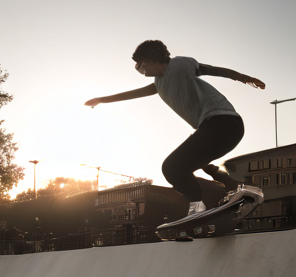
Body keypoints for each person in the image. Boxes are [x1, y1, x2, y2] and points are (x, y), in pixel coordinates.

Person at [85, 40, 265, 216]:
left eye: (139, 65)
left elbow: (210, 69)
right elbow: (134, 94)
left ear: (150, 59)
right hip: (221, 129)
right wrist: (102, 100)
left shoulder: (179, 64)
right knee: (185, 167)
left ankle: (200, 205)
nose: (138, 69)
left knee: (171, 168)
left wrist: (244, 78)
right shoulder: (158, 84)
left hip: (222, 122)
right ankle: (234, 188)